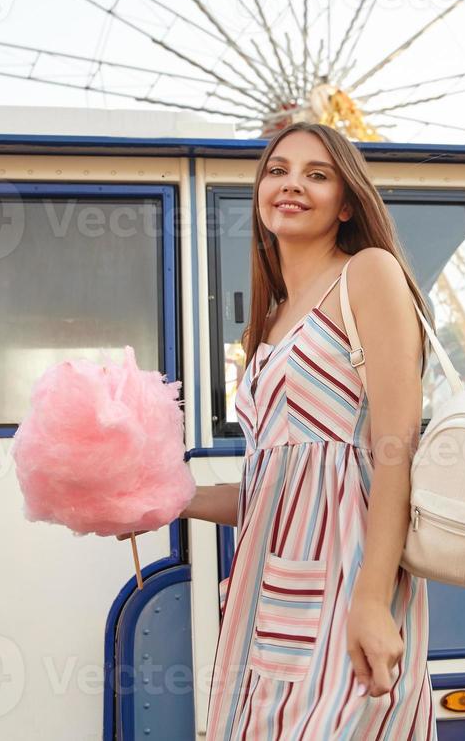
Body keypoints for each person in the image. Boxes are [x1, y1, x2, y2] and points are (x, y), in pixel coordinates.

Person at [125, 122, 436, 738]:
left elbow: (394, 449)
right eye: (278, 170)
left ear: (347, 203)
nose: (292, 184)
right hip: (272, 593)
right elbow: (270, 489)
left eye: (317, 175)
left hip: (350, 580)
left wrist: (373, 600)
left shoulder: (367, 274)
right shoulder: (267, 324)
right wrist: (160, 501)